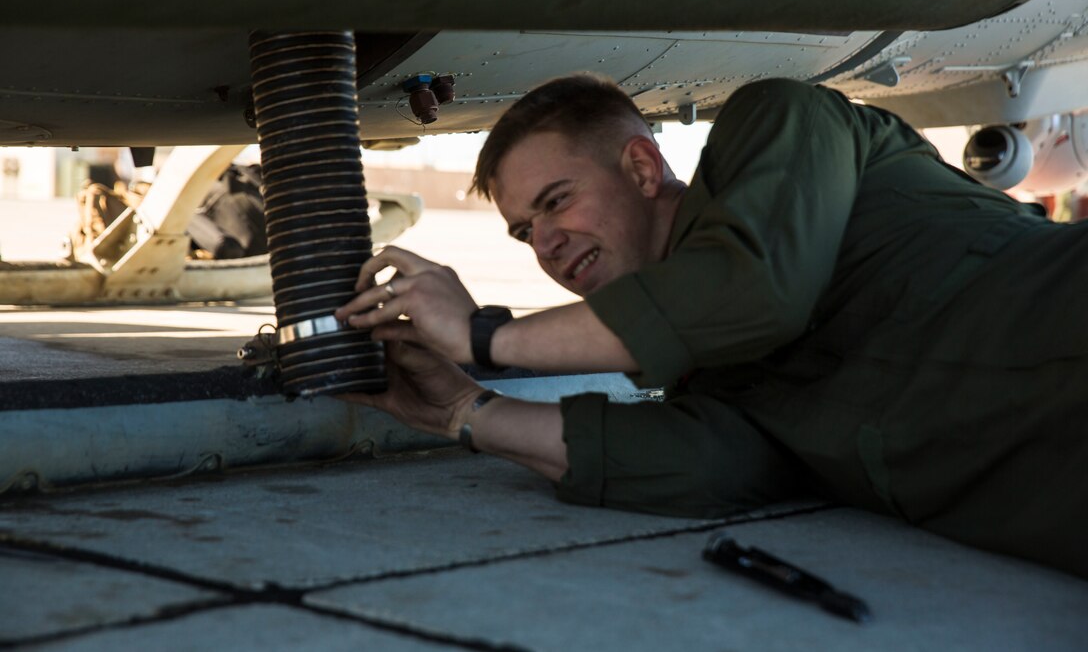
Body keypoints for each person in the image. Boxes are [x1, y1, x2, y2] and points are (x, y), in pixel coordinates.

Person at [336, 75, 1088, 577]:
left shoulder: (782, 123)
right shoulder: (709, 369)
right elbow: (702, 465)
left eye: (557, 201)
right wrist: (466, 410)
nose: (546, 243)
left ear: (639, 166)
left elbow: (746, 289)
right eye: (523, 231)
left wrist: (485, 336)